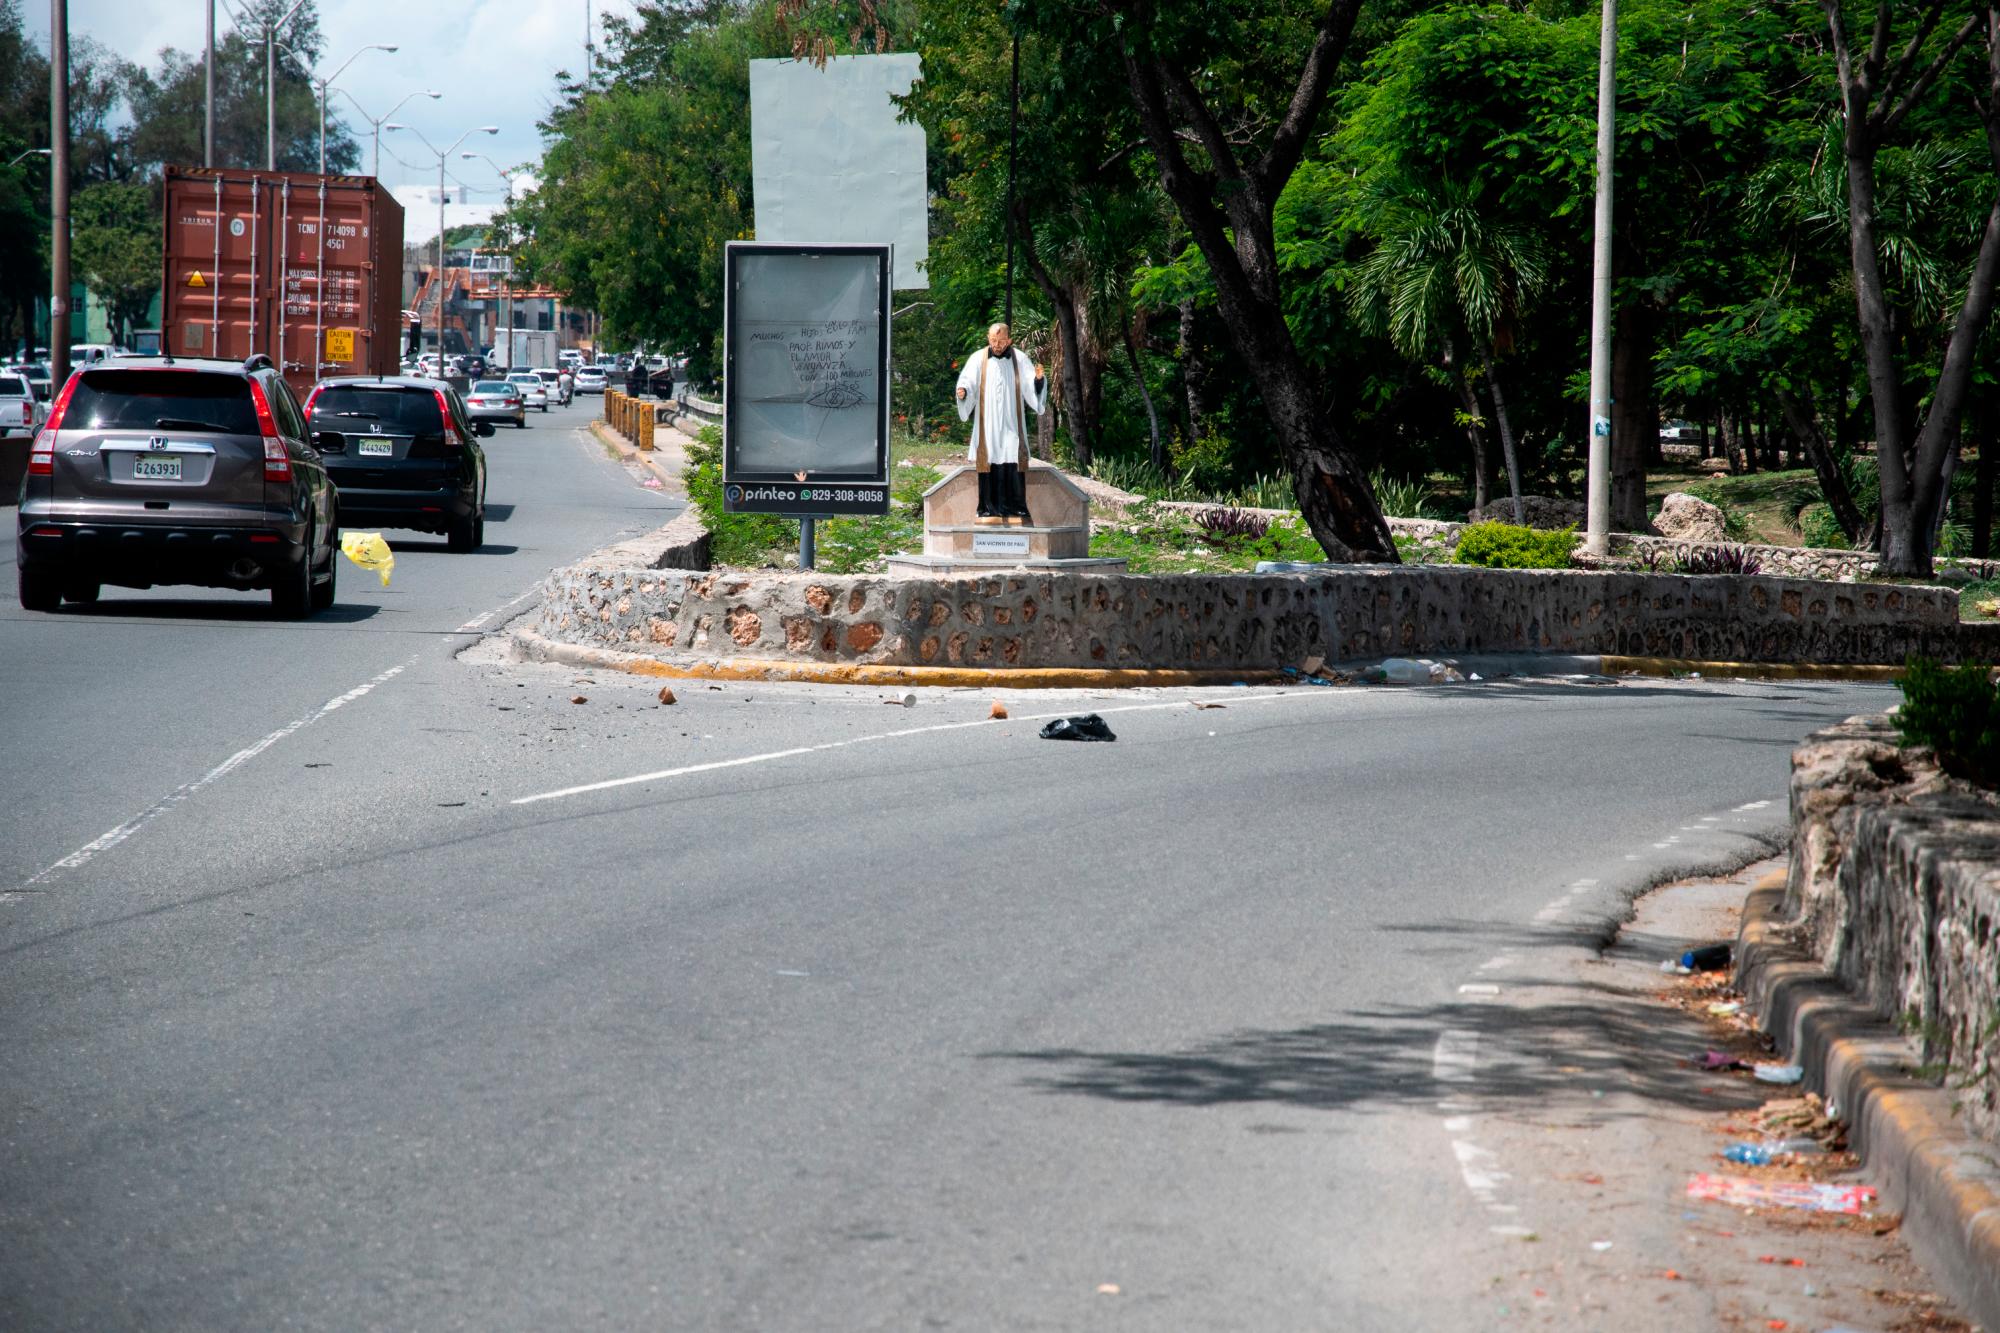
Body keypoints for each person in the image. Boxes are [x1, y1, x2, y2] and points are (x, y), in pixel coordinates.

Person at [954, 323, 1048, 525]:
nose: (997, 345)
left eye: (1001, 341)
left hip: (1011, 420)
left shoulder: (1019, 358)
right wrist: (963, 392)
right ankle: (988, 509)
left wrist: (1038, 381)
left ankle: (1016, 508)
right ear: (988, 338)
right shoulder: (978, 358)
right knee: (989, 460)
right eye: (993, 341)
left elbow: (1031, 382)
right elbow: (967, 381)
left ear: (1009, 341)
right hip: (987, 422)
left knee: (1012, 458)